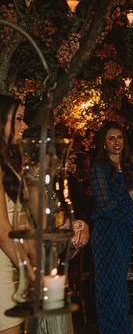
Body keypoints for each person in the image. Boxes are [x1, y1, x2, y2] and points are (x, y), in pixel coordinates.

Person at [90, 121, 133, 334]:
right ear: (104, 144)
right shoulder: (100, 168)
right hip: (105, 233)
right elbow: (104, 207)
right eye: (111, 138)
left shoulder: (131, 167)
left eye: (120, 137)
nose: (116, 142)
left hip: (123, 232)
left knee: (120, 288)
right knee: (108, 288)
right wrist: (132, 192)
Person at [0, 95, 27, 334]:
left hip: (11, 263)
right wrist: (30, 270)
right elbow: (2, 230)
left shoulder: (8, 163)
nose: (25, 126)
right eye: (18, 119)